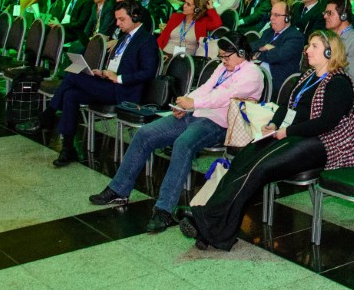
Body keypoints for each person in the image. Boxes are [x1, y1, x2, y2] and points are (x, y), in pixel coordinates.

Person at [179, 30, 354, 250]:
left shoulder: (339, 82)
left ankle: (207, 221)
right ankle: (215, 229)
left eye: (314, 46)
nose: (307, 50)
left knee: (259, 168)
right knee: (244, 158)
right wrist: (274, 124)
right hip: (294, 134)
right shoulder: (308, 76)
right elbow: (286, 106)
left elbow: (326, 123)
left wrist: (288, 131)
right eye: (309, 45)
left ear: (330, 52)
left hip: (322, 143)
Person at [88, 34, 263, 233]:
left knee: (183, 144)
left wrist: (194, 103)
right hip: (196, 113)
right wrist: (185, 104)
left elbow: (224, 97)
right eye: (221, 56)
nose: (223, 61)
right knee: (145, 133)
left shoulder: (252, 74)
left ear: (241, 53)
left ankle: (164, 209)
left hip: (218, 123)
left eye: (226, 56)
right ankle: (119, 189)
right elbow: (206, 88)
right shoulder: (224, 67)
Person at [30, 0, 159, 166]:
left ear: (135, 17)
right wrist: (103, 73)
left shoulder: (146, 40)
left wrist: (118, 78)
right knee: (70, 94)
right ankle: (68, 148)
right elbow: (118, 64)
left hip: (124, 91)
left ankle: (48, 115)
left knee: (73, 75)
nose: (117, 24)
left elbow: (148, 72)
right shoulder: (124, 37)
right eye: (116, 19)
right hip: (109, 83)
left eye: (121, 19)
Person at [252, 1, 304, 95]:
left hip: (275, 82)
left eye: (276, 15)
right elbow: (252, 46)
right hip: (257, 74)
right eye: (271, 14)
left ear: (287, 18)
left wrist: (258, 54)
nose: (271, 18)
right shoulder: (268, 32)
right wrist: (266, 48)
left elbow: (277, 56)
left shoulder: (295, 36)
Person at [322, 0, 354, 94]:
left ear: (343, 16)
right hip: (328, 90)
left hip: (346, 96)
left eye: (329, 13)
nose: (325, 16)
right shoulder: (328, 38)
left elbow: (348, 81)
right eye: (325, 13)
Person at [156, 0, 221, 56]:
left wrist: (211, 8)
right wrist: (158, 54)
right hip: (166, 54)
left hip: (186, 59)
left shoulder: (202, 22)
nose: (184, 6)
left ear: (197, 9)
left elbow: (217, 23)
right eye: (185, 3)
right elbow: (162, 38)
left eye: (188, 4)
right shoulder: (176, 17)